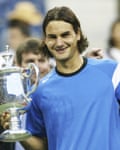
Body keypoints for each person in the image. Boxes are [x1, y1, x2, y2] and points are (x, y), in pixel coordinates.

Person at [1, 6, 118, 150]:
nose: (59, 43)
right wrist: (16, 131)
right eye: (52, 37)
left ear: (78, 34)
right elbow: (43, 146)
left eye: (65, 35)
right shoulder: (40, 91)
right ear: (45, 40)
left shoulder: (111, 71)